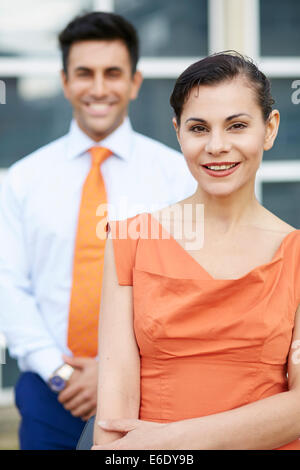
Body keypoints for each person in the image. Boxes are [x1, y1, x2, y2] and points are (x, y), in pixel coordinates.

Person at [0, 12, 196, 450]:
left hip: (152, 388)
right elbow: (8, 285)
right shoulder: (25, 180)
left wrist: (115, 374)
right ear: (65, 81)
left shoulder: (176, 176)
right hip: (52, 390)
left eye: (113, 73)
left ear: (135, 81)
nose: (99, 88)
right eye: (85, 73)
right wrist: (62, 372)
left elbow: (185, 289)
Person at [92, 51, 300, 450]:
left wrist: (172, 441)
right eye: (199, 128)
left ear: (269, 129)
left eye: (237, 126)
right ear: (178, 132)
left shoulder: (296, 254)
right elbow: (114, 415)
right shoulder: (130, 241)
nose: (217, 146)